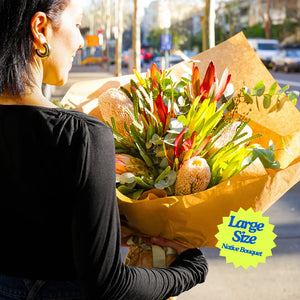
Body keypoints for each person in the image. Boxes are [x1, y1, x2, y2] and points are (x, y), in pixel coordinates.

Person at [0, 0, 208, 299]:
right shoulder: (81, 136)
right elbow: (108, 283)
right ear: (40, 28)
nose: (81, 41)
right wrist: (190, 269)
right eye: (77, 24)